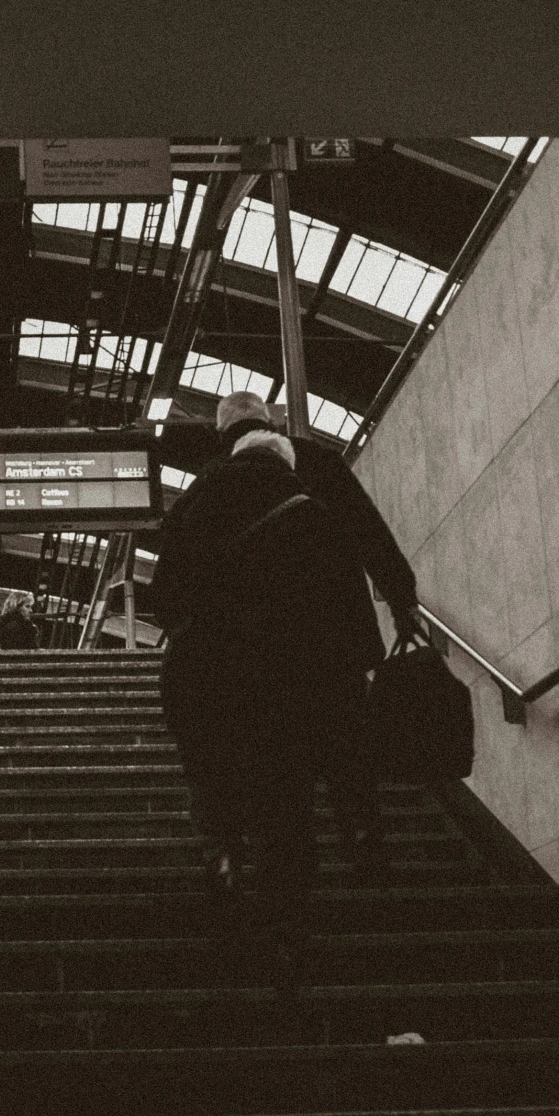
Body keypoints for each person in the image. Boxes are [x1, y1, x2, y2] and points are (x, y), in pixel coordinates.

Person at [154, 392, 418, 917]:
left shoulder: (206, 485)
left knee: (277, 778)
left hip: (249, 665)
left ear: (222, 432)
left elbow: (168, 590)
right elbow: (370, 533)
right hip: (333, 647)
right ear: (269, 420)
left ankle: (263, 883)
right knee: (346, 746)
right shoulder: (317, 463)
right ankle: (364, 836)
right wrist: (402, 600)